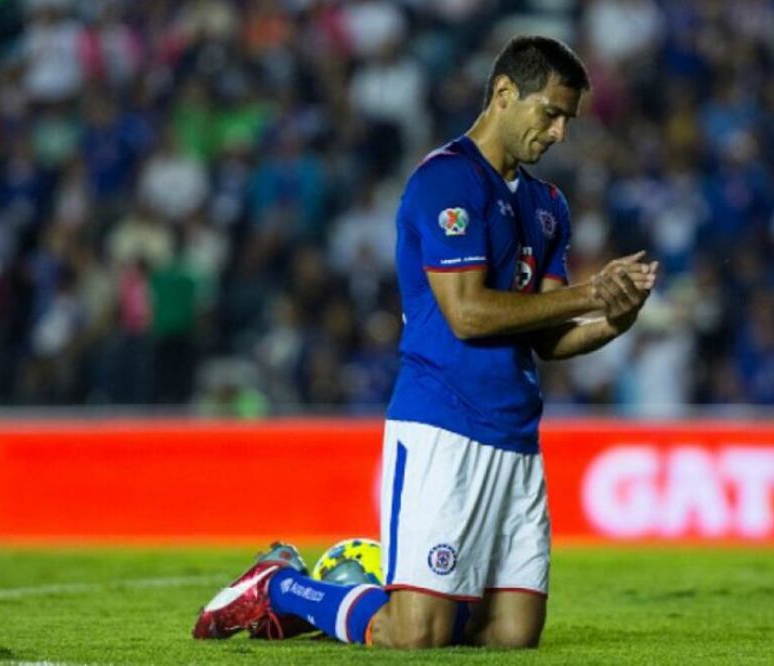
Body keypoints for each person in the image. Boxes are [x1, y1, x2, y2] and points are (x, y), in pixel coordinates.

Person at [193, 35, 658, 649]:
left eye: (568, 120)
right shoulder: (446, 180)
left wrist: (617, 318)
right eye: (551, 113)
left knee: (511, 637)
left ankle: (368, 595)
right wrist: (591, 294)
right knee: (415, 635)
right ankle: (280, 585)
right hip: (443, 425)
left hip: (516, 438)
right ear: (503, 94)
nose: (560, 133)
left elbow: (547, 336)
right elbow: (467, 314)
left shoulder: (549, 206)